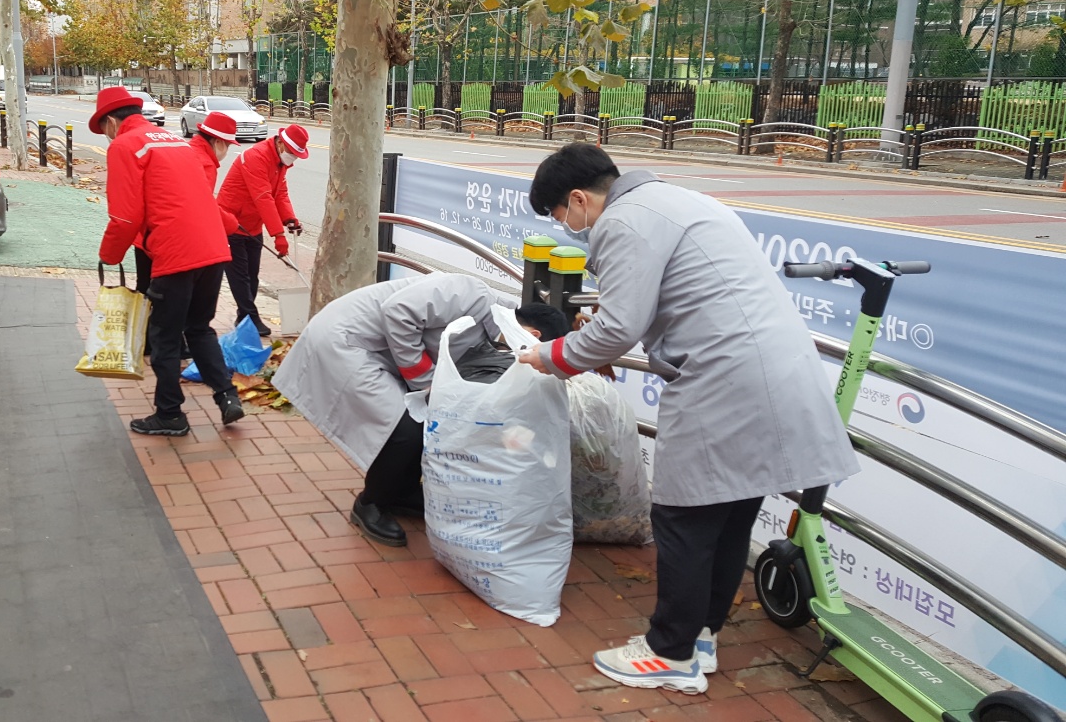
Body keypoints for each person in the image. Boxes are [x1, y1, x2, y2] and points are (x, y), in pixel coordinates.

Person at [517, 143, 859, 695]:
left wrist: (550, 357)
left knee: (681, 515)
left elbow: (619, 328)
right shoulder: (678, 201)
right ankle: (701, 637)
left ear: (578, 199)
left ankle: (667, 652)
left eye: (561, 216)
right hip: (774, 368)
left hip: (724, 378)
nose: (567, 226)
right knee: (731, 510)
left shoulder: (623, 222)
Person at [273, 273, 571, 547]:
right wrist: (425, 383)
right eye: (539, 355)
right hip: (347, 340)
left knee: (425, 422)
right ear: (533, 336)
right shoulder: (474, 295)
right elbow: (397, 312)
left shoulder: (496, 334)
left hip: (379, 352)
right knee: (404, 428)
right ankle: (370, 504)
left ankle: (400, 492)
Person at [90, 86, 244, 436]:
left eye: (104, 129)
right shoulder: (175, 141)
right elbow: (200, 199)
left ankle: (170, 414)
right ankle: (228, 397)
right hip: (213, 251)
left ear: (112, 121)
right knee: (200, 328)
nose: (107, 136)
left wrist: (108, 256)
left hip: (176, 254)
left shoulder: (125, 146)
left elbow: (126, 217)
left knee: (164, 337)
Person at [134, 111, 241, 359]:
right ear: (217, 142)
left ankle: (150, 344)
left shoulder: (190, 151)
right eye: (228, 146)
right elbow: (199, 205)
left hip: (152, 234)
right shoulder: (202, 162)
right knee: (169, 296)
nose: (227, 152)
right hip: (164, 238)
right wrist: (229, 223)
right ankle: (164, 346)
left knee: (149, 290)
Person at [216, 123, 309, 336]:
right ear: (281, 144)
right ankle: (251, 317)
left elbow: (280, 193)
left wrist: (289, 219)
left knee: (252, 275)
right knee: (239, 276)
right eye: (293, 154)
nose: (293, 159)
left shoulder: (279, 163)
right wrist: (278, 235)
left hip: (252, 224)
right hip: (231, 222)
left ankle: (243, 318)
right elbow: (263, 197)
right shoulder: (256, 157)